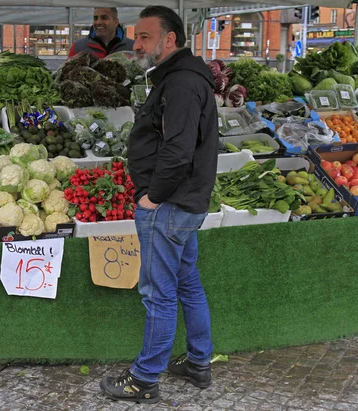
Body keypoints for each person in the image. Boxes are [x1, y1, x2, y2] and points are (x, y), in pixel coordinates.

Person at [99, 5, 219, 405]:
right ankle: (199, 362)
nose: (137, 43)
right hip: (184, 203)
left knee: (159, 294)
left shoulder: (182, 83)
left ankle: (143, 379)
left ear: (170, 39)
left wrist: (153, 197)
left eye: (145, 37)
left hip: (169, 205)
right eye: (137, 36)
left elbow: (178, 149)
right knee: (186, 283)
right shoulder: (178, 78)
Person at [67, 7, 134, 59]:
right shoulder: (78, 47)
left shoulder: (132, 47)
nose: (98, 22)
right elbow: (66, 74)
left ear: (115, 22)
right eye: (95, 18)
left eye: (104, 18)